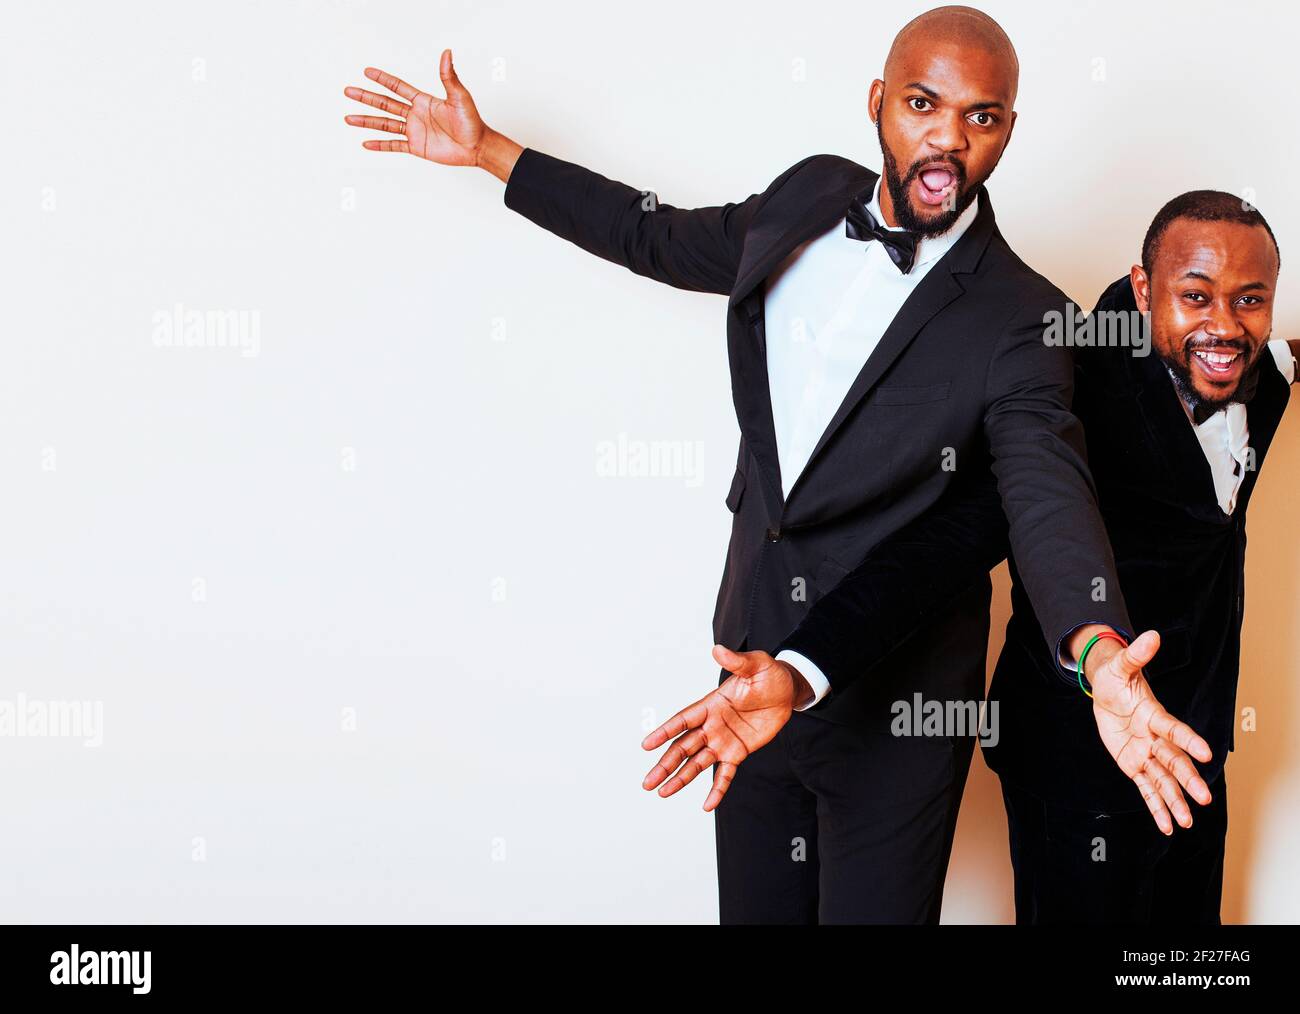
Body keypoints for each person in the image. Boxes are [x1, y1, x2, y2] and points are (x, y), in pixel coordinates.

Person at [345, 6, 1205, 923]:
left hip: (896, 706)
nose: (947, 139)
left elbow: (1043, 495)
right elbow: (659, 236)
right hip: (748, 662)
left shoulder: (1023, 318)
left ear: (1007, 132)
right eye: (923, 104)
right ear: (878, 101)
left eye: (981, 117)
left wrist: (1098, 650)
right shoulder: (806, 198)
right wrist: (493, 153)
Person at [668, 191, 1291, 923]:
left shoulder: (1261, 373)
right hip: (1076, 770)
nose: (1224, 325)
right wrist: (804, 668)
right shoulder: (1069, 389)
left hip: (1195, 752)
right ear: (1145, 288)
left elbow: (1275, 358)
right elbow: (938, 551)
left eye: (1250, 301)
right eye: (1196, 297)